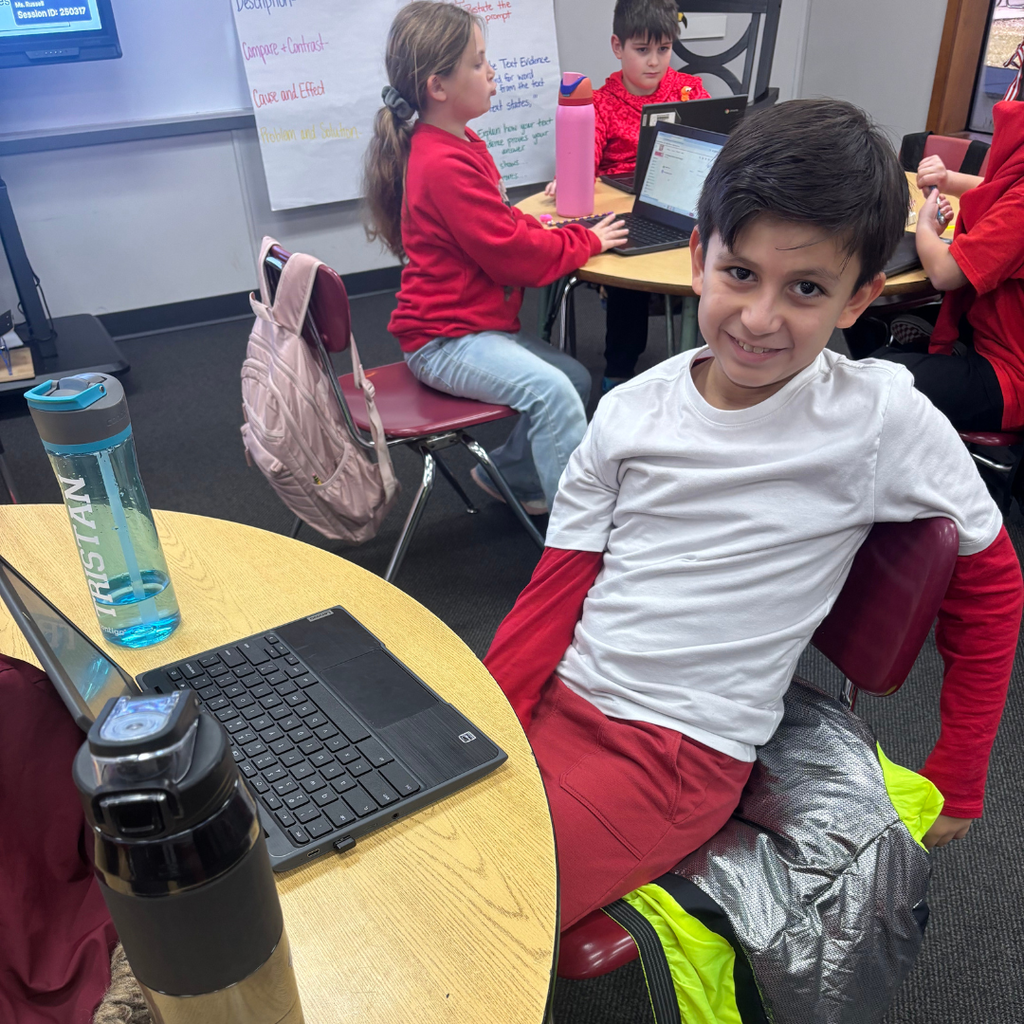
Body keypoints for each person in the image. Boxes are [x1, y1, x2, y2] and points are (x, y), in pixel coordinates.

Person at [485, 99, 1023, 930]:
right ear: (701, 257)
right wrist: (490, 720)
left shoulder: (881, 417)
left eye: (806, 288)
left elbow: (991, 585)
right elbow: (557, 590)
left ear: (859, 298)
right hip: (562, 696)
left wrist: (961, 769)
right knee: (420, 829)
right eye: (741, 273)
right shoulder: (632, 410)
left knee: (484, 907)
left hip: (672, 754)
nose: (761, 318)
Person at [364, 1, 627, 515]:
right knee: (553, 393)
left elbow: (502, 224)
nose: (491, 71)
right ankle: (579, 548)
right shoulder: (443, 163)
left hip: (471, 327)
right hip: (445, 341)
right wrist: (586, 242)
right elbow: (513, 257)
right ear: (438, 86)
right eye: (479, 62)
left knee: (572, 378)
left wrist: (558, 231)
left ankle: (504, 473)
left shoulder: (459, 142)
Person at [545, 0, 710, 393]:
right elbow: (584, 156)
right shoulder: (601, 102)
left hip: (683, 202)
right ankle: (618, 370)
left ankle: (705, 367)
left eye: (664, 49)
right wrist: (566, 177)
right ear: (618, 47)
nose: (654, 62)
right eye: (642, 50)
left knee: (715, 260)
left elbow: (714, 141)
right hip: (627, 208)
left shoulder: (689, 91)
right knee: (628, 282)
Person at [868, 99, 1024, 432]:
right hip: (997, 335)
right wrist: (949, 180)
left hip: (1011, 378)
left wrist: (927, 226)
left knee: (873, 376)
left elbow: (944, 273)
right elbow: (1002, 190)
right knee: (875, 361)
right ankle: (942, 343)